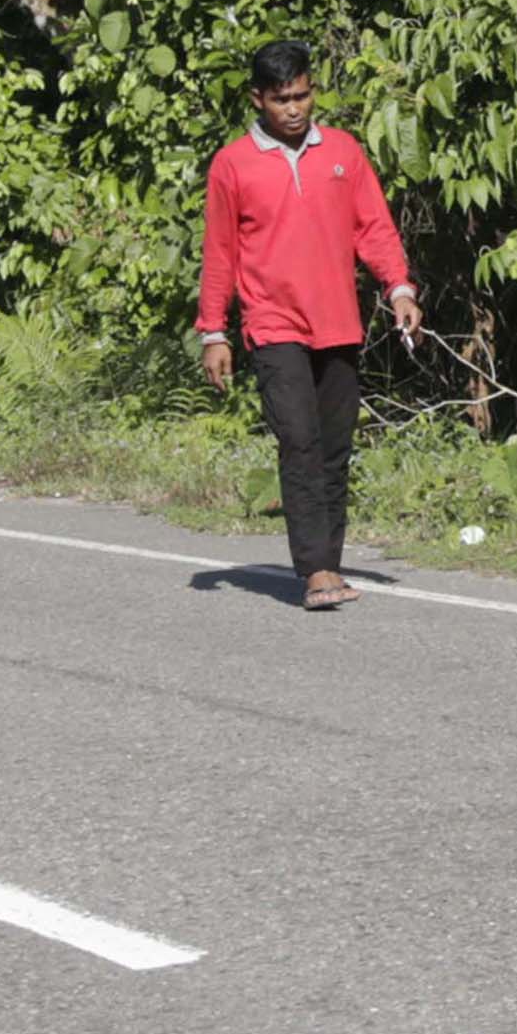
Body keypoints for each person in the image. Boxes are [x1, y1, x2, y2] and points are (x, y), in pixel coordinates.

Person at [194, 41, 419, 611]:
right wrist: (213, 332)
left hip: (338, 321)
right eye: (280, 99)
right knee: (298, 439)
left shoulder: (343, 152)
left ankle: (330, 563)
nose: (294, 109)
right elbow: (220, 251)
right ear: (258, 99)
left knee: (334, 448)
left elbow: (374, 227)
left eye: (302, 95)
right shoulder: (233, 163)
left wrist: (399, 288)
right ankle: (316, 571)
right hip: (272, 324)